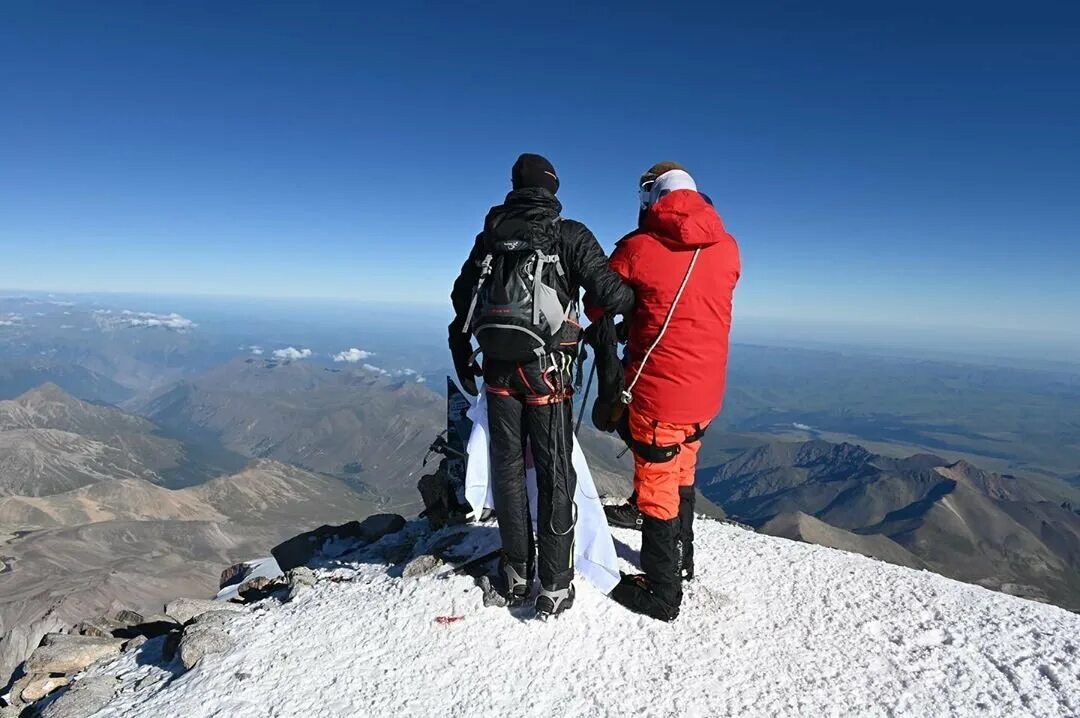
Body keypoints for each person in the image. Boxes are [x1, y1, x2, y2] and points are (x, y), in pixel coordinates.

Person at [449, 153, 635, 616]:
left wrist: (461, 349)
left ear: (515, 185)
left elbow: (461, 296)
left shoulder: (490, 235)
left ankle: (515, 572)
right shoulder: (567, 234)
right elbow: (613, 295)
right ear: (553, 189)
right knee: (554, 473)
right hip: (547, 372)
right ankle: (554, 584)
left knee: (507, 469)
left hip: (495, 368)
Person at [588, 161, 740, 621]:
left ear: (650, 197)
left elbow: (598, 303)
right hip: (706, 395)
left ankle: (662, 591)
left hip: (659, 397)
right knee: (683, 472)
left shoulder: (638, 247)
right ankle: (684, 562)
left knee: (656, 486)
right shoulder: (729, 247)